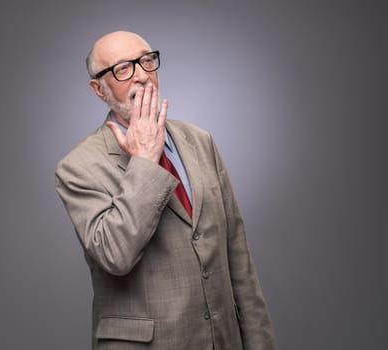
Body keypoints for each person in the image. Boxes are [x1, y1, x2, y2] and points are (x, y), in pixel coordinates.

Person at [55, 30, 278, 350]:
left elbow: (238, 259)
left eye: (147, 62)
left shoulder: (201, 141)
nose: (142, 76)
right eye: (123, 69)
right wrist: (145, 160)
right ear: (98, 89)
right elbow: (115, 255)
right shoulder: (77, 166)